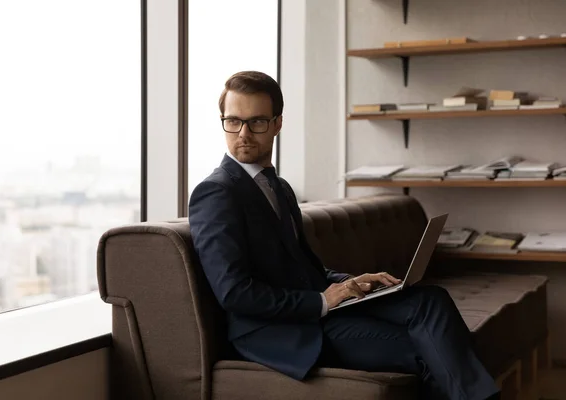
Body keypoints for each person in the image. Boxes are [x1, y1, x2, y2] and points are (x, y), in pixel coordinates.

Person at [188, 70, 500, 400]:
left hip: (316, 310)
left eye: (257, 122)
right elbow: (235, 293)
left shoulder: (278, 188)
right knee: (432, 348)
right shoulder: (216, 193)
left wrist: (351, 283)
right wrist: (323, 300)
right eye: (233, 121)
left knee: (430, 301)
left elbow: (302, 268)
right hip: (278, 331)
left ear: (278, 124)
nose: (244, 133)